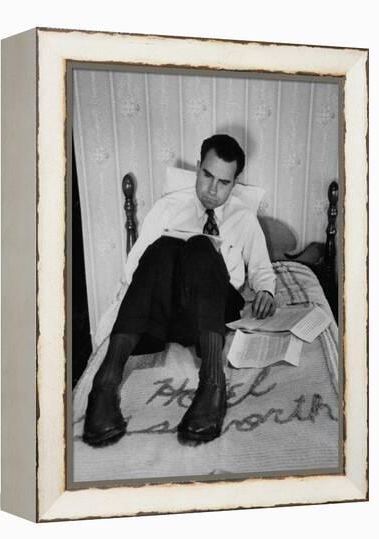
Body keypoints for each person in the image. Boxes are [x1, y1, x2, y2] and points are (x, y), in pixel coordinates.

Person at [83, 134, 276, 446]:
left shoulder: (244, 219)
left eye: (223, 183)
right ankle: (105, 383)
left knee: (202, 246)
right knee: (162, 248)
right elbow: (136, 269)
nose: (212, 190)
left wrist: (266, 291)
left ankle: (213, 383)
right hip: (164, 313)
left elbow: (261, 270)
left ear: (235, 183)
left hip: (213, 312)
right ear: (198, 168)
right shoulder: (167, 207)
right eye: (207, 176)